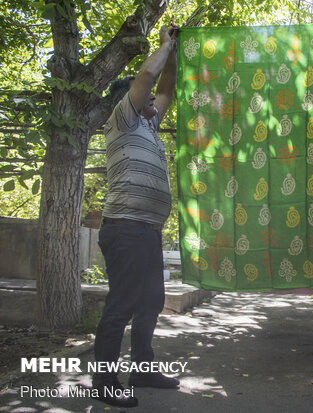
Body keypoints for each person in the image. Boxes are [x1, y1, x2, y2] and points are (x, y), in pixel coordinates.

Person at [92, 24, 179, 408]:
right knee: (123, 304)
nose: (152, 102)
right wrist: (162, 45)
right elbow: (147, 78)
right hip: (125, 230)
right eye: (142, 98)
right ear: (127, 100)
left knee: (150, 302)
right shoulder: (123, 119)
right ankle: (104, 382)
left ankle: (142, 369)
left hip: (147, 231)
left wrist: (173, 53)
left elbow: (165, 90)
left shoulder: (149, 124)